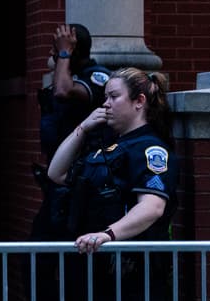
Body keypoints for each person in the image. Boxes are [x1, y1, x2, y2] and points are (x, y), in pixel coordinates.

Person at [47, 67, 178, 301]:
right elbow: (57, 173)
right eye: (105, 97)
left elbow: (152, 207)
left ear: (139, 102)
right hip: (98, 274)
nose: (105, 104)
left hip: (133, 276)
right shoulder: (109, 146)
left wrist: (107, 235)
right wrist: (83, 127)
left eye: (114, 97)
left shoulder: (150, 149)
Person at [31, 25, 112, 299]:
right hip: (58, 187)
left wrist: (65, 51)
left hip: (84, 191)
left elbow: (64, 91)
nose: (52, 55)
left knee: (77, 270)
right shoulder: (67, 75)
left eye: (57, 49)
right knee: (37, 261)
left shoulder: (97, 77)